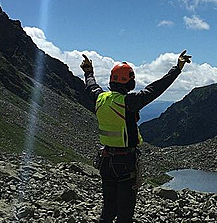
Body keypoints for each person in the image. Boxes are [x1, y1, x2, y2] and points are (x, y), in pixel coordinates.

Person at [80, 50, 191, 223]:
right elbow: (155, 88)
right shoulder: (128, 102)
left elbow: (91, 86)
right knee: (125, 212)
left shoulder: (100, 98)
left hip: (106, 160)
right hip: (125, 162)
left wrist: (88, 71)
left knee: (108, 209)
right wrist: (176, 68)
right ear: (130, 82)